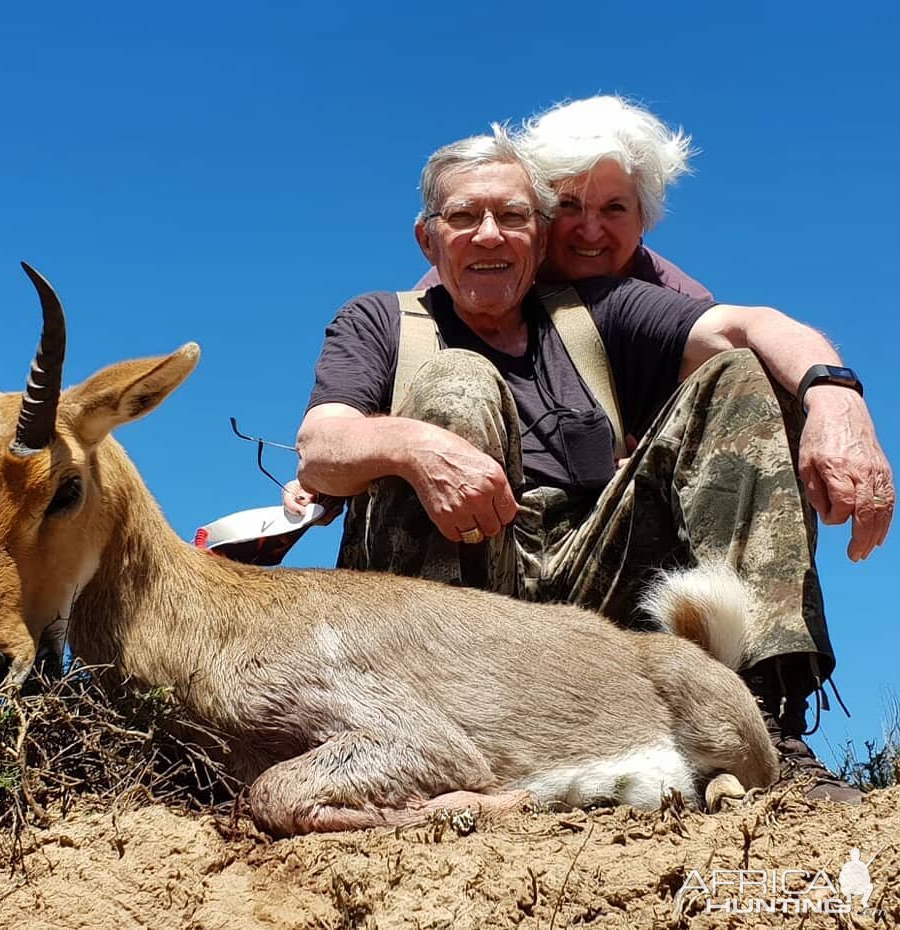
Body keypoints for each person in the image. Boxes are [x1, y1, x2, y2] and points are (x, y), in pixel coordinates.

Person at [289, 129, 893, 803]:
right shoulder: (380, 321)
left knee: (742, 377)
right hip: (440, 634)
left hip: (585, 600)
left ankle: (757, 720)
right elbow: (320, 445)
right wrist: (414, 447)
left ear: (539, 237)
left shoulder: (595, 315)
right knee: (456, 382)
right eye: (464, 216)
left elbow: (748, 326)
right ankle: (426, 751)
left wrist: (835, 399)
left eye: (512, 217)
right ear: (428, 239)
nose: (489, 235)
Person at [414, 95, 711, 298]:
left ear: (643, 218)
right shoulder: (477, 272)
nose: (591, 231)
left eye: (614, 208)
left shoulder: (678, 297)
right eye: (568, 205)